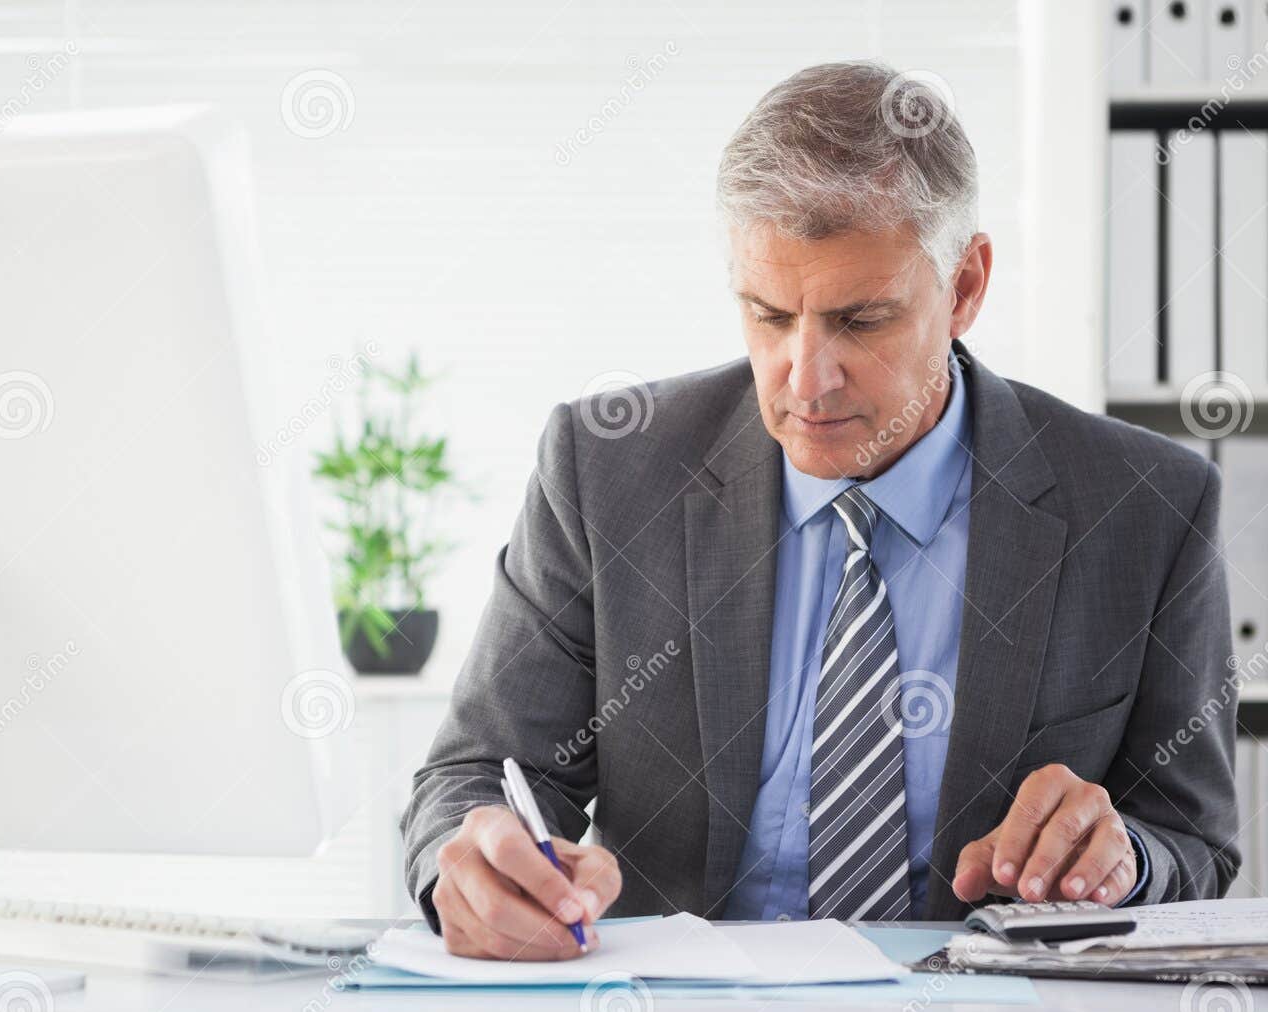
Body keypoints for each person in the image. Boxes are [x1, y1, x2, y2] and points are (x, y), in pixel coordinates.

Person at [401, 60, 1240, 960]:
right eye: (768, 315)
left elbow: (1192, 835)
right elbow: (479, 771)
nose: (805, 380)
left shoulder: (1146, 506)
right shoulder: (605, 472)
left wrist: (1124, 860)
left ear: (964, 287)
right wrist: (479, 862)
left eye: (861, 320)